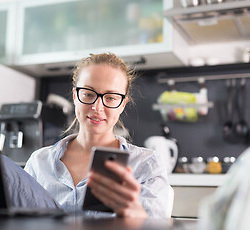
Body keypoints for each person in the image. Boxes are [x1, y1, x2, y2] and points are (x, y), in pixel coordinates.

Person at [22, 52, 170, 218]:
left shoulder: (146, 165)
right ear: (75, 96)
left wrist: (135, 215)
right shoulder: (39, 162)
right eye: (88, 94)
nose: (97, 107)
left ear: (122, 104)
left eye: (111, 98)